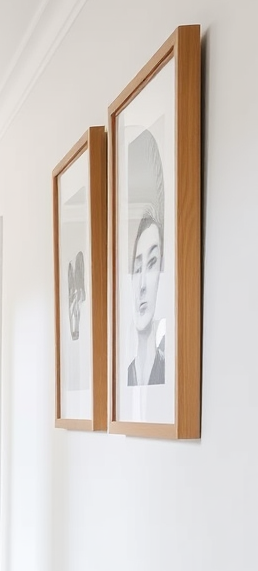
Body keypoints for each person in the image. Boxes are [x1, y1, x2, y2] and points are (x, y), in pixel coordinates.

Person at [126, 130, 166, 387]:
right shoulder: (125, 376)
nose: (142, 284)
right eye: (136, 267)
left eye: (151, 265)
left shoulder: (166, 370)